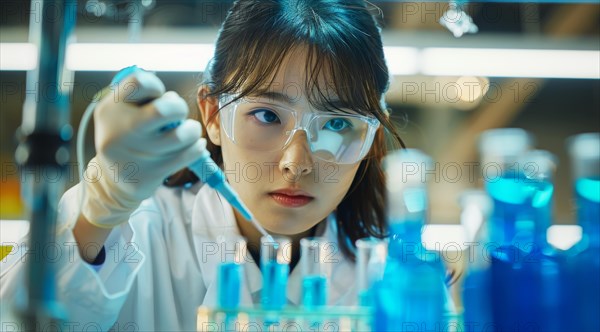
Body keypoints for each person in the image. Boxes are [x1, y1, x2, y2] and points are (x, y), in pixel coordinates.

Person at [1, 0, 453, 330]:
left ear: (372, 132)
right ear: (213, 115)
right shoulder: (136, 228)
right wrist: (99, 214)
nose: (296, 163)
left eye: (337, 123)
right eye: (267, 115)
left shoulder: (389, 276)